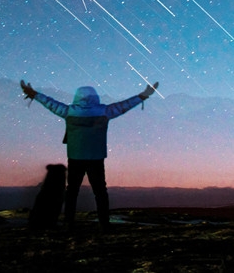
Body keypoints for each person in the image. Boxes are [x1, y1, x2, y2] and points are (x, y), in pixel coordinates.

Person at [20, 79, 158, 230]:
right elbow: (124, 106)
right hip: (96, 157)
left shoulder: (69, 111)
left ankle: (69, 221)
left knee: (72, 191)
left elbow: (50, 103)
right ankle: (104, 222)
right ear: (95, 97)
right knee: (100, 192)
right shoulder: (105, 111)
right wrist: (143, 95)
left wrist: (34, 94)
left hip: (75, 157)